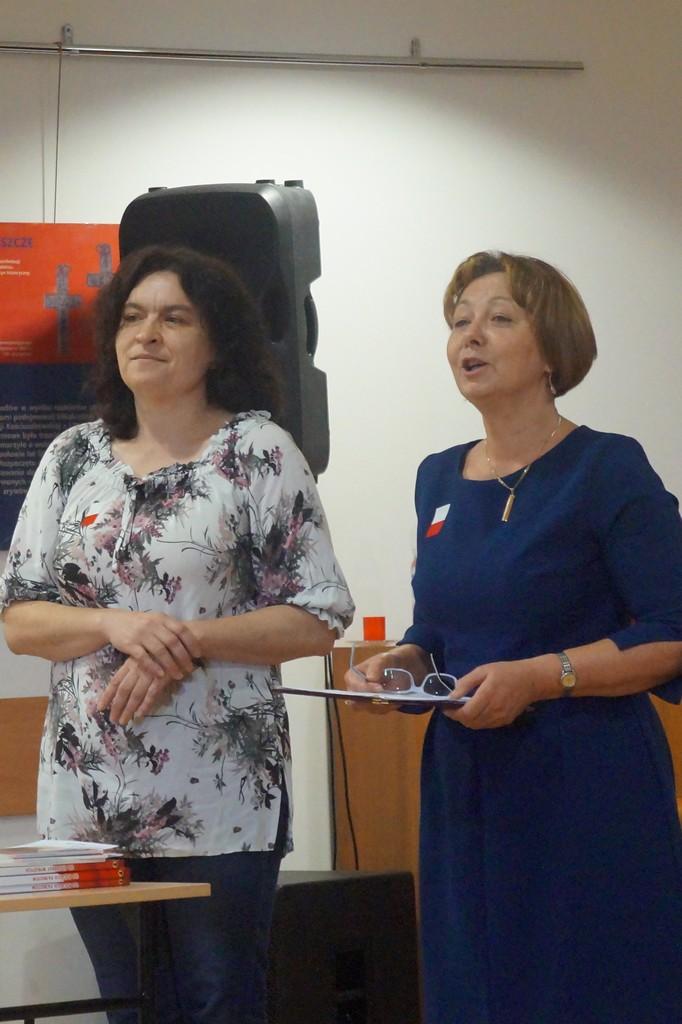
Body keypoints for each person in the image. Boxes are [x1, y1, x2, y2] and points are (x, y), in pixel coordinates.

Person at [0, 244, 354, 1024]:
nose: (147, 333)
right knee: (129, 1008)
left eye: (174, 318)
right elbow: (21, 618)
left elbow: (318, 614)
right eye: (132, 316)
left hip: (221, 799)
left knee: (217, 1005)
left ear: (217, 342)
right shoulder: (70, 458)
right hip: (89, 801)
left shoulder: (259, 453)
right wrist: (113, 622)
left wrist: (183, 641)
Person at [346, 251, 682, 1024]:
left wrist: (540, 676)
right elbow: (436, 632)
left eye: (499, 318)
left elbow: (672, 631)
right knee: (473, 993)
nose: (471, 336)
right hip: (465, 787)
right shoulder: (437, 477)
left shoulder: (607, 467)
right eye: (459, 320)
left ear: (552, 350)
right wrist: (400, 666)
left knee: (586, 994)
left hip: (586, 784)